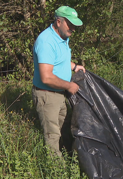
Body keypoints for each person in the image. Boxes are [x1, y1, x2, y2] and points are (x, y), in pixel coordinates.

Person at [32, 6, 86, 159]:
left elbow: (59, 61)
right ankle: (57, 175)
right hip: (47, 95)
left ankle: (67, 159)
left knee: (62, 128)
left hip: (60, 93)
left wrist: (74, 66)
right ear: (58, 21)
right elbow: (46, 77)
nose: (73, 29)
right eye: (70, 24)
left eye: (74, 26)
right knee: (52, 135)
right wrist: (69, 85)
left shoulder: (62, 37)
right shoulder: (46, 42)